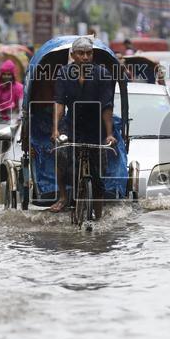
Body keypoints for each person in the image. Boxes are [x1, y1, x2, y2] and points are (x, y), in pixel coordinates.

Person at [50, 37, 116, 217]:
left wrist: (109, 134)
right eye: (81, 53)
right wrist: (55, 129)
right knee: (60, 154)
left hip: (96, 127)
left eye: (89, 53)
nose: (85, 57)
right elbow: (59, 104)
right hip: (72, 125)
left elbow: (107, 106)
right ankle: (63, 196)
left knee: (98, 172)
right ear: (73, 55)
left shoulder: (102, 73)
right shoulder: (64, 73)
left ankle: (98, 212)